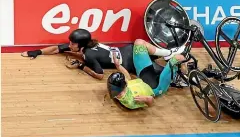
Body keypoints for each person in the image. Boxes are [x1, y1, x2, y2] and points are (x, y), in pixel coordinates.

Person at [21, 28, 185, 81]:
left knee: (168, 76)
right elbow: (57, 48)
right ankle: (168, 53)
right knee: (142, 45)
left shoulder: (89, 55)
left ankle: (182, 72)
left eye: (72, 44)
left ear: (81, 45)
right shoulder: (88, 44)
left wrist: (81, 66)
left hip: (131, 64)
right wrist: (37, 52)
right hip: (127, 49)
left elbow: (99, 75)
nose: (69, 46)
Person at [107, 39, 186, 109]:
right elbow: (151, 103)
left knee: (139, 43)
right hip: (157, 87)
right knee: (178, 58)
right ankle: (184, 76)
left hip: (144, 78)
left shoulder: (117, 91)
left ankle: (168, 53)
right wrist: (147, 99)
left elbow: (128, 78)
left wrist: (118, 66)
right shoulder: (131, 101)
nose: (116, 95)